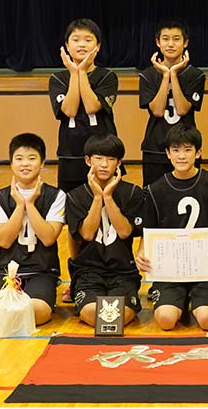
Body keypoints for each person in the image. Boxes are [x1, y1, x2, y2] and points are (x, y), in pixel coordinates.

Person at [135, 124, 208, 331]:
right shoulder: (155, 189)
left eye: (188, 150)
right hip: (170, 270)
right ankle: (177, 300)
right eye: (176, 150)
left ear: (198, 153)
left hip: (205, 270)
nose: (181, 156)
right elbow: (149, 231)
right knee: (166, 320)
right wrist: (141, 254)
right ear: (168, 153)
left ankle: (199, 301)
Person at [65, 134, 144, 327]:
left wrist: (108, 197)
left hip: (123, 271)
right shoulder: (75, 196)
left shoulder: (132, 193)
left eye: (110, 159)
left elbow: (125, 232)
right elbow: (87, 234)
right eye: (98, 158)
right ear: (88, 160)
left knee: (120, 315)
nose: (104, 164)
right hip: (88, 272)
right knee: (92, 313)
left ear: (119, 163)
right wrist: (97, 198)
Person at [0, 133, 66, 325]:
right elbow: (5, 240)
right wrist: (19, 206)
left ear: (42, 163)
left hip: (42, 270)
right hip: (8, 271)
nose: (25, 164)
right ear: (11, 163)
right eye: (19, 159)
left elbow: (48, 238)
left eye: (32, 158)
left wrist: (30, 204)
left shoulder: (56, 195)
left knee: (38, 311)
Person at [49, 18, 121, 193]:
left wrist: (81, 71)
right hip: (70, 154)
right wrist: (75, 73)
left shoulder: (107, 76)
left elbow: (91, 107)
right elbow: (69, 110)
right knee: (71, 204)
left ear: (98, 46)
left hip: (103, 153)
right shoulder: (58, 78)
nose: (82, 44)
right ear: (67, 46)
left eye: (88, 40)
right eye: (76, 40)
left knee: (107, 200)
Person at [138, 19, 206, 187]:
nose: (170, 44)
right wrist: (165, 76)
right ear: (158, 42)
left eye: (176, 39)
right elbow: (157, 111)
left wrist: (173, 75)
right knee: (153, 194)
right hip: (154, 148)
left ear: (185, 43)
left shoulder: (195, 75)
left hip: (186, 147)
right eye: (165, 39)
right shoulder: (147, 75)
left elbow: (182, 109)